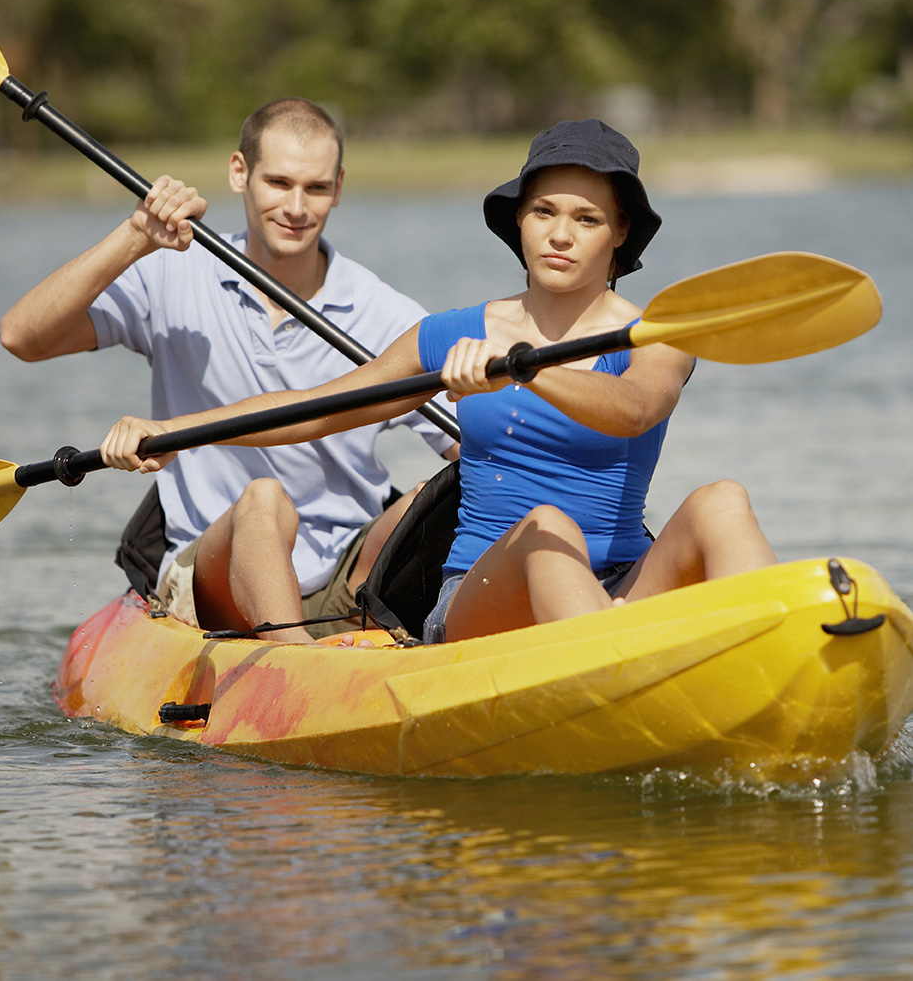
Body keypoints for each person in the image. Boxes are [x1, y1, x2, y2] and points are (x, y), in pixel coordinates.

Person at [98, 118, 776, 644]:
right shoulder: (453, 335)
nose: (560, 235)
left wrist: (523, 370)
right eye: (544, 212)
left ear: (619, 232)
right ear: (519, 220)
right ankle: (612, 660)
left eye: (586, 218)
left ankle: (779, 654)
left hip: (624, 580)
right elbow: (319, 407)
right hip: (482, 594)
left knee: (722, 499)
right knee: (546, 528)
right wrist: (173, 432)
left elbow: (632, 409)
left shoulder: (656, 334)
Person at [0, 98, 458, 642]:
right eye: (278, 183)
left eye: (315, 188)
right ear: (240, 173)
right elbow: (23, 337)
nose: (296, 207)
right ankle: (300, 670)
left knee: (440, 489)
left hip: (347, 575)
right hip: (214, 570)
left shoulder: (386, 314)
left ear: (338, 187)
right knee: (264, 500)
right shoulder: (173, 273)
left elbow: (472, 451)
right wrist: (135, 236)